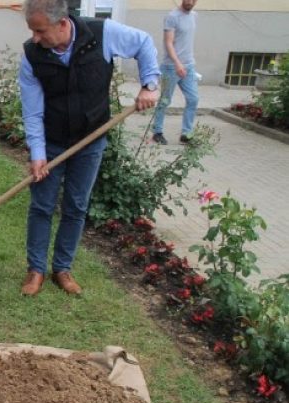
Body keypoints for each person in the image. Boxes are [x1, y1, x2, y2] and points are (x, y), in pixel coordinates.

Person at [19, 0, 159, 297]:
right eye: (32, 30)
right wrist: (38, 153)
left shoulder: (101, 34)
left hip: (91, 140)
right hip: (52, 141)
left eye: (40, 30)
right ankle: (35, 270)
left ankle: (62, 269)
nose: (35, 38)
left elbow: (144, 43)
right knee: (42, 206)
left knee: (76, 207)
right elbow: (32, 112)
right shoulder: (33, 55)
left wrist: (149, 83)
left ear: (62, 23)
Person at [152, 0, 199, 145]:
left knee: (193, 99)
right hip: (171, 67)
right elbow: (168, 42)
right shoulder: (172, 17)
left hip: (189, 66)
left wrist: (186, 63)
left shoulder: (194, 15)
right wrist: (177, 63)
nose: (190, 2)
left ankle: (186, 134)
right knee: (165, 101)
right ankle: (157, 132)